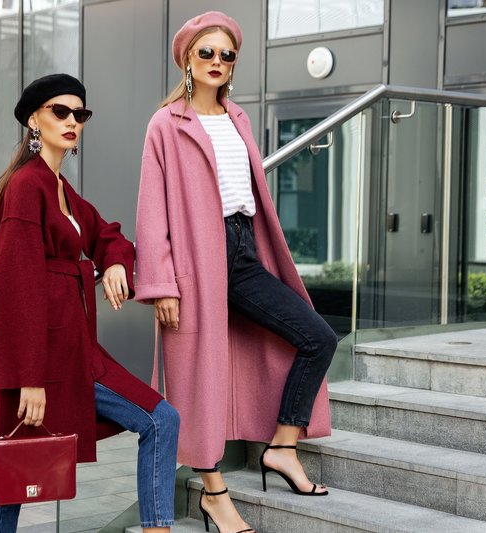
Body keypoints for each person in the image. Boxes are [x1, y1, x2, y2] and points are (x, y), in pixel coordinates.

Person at [135, 12, 337, 533]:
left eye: (227, 55)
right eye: (207, 53)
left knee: (316, 335)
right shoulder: (167, 124)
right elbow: (152, 209)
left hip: (242, 251)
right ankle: (214, 493)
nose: (217, 63)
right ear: (187, 59)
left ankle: (282, 448)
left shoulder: (240, 119)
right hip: (196, 262)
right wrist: (160, 283)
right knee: (196, 376)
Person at [0, 73, 179, 533]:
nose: (72, 121)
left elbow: (106, 233)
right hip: (38, 361)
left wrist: (113, 264)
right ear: (34, 119)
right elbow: (18, 289)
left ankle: (157, 528)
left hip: (75, 354)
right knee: (15, 464)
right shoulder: (27, 188)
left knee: (160, 419)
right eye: (60, 111)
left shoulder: (60, 188)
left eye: (80, 114)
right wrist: (28, 379)